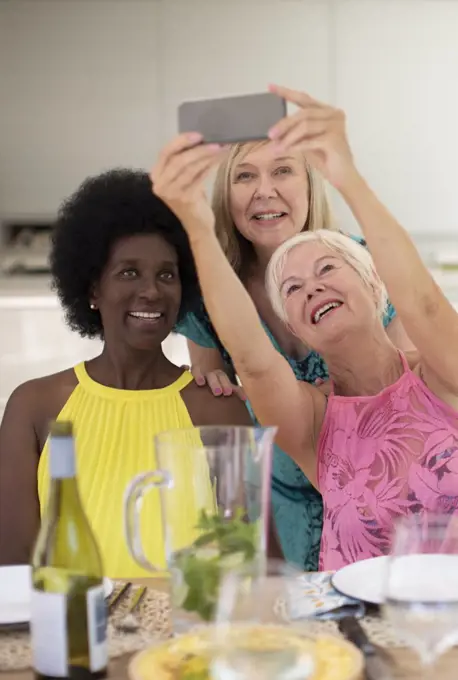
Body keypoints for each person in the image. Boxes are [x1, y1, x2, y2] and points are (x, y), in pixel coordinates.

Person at [152, 85, 458, 570]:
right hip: (358, 633)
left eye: (328, 270)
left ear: (376, 283)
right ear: (289, 322)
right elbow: (252, 358)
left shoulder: (444, 378)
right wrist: (193, 220)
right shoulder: (313, 420)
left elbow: (423, 303)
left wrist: (347, 174)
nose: (311, 288)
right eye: (291, 289)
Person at [0, 169, 256, 578]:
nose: (151, 291)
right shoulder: (34, 406)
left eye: (166, 274)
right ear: (92, 291)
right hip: (74, 633)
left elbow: (250, 562)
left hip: (184, 635)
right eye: (129, 272)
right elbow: (12, 574)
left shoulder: (216, 408)